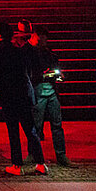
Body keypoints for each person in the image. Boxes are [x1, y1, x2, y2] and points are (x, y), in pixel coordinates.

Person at [0, 21, 46, 175]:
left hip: (10, 96)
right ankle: (41, 163)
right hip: (24, 93)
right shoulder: (19, 49)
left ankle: (17, 165)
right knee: (31, 130)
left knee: (13, 131)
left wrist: (0, 95)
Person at [30, 27, 73, 166]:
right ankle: (33, 154)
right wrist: (43, 75)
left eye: (44, 39)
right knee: (36, 126)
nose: (43, 42)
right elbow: (30, 75)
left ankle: (61, 155)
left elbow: (60, 73)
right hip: (39, 90)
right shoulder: (31, 55)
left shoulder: (51, 55)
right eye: (40, 39)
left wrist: (58, 76)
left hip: (51, 91)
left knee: (57, 125)